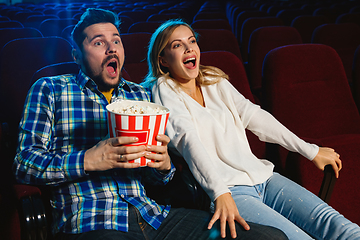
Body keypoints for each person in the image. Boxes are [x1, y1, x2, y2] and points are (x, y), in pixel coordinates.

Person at [13, 8, 288, 240]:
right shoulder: (50, 89)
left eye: (116, 41)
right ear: (76, 55)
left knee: (272, 237)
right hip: (93, 219)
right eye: (98, 43)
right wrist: (89, 159)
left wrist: (163, 165)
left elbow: (158, 180)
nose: (111, 48)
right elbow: (24, 164)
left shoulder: (140, 95)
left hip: (154, 217)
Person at [143, 19, 360, 240]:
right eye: (178, 45)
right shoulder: (164, 89)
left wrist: (310, 151)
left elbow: (255, 116)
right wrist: (220, 193)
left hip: (263, 177)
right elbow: (188, 140)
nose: (189, 48)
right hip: (231, 191)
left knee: (340, 226)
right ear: (163, 60)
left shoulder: (213, 80)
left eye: (192, 41)